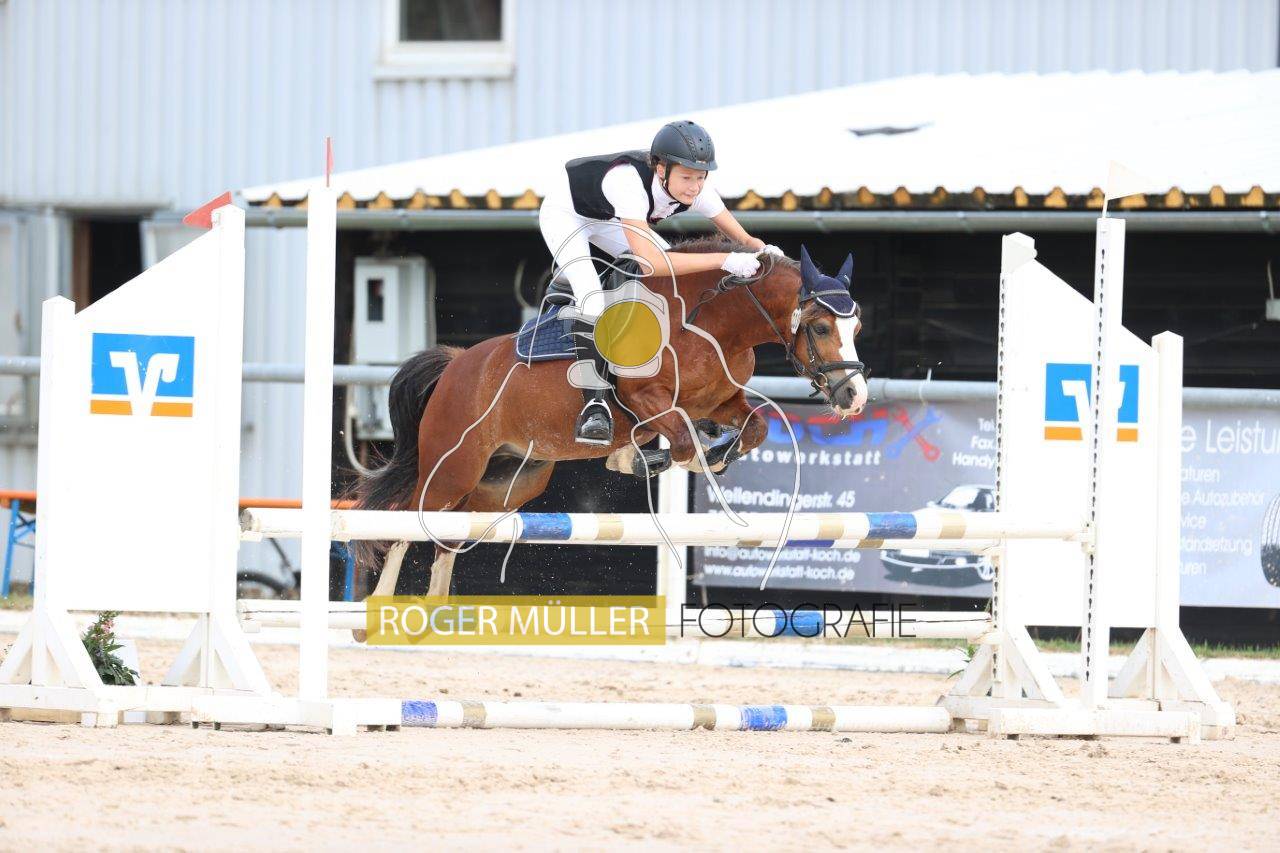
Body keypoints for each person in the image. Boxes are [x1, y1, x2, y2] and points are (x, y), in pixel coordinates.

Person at [538, 119, 783, 445]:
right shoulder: (627, 182)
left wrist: (766, 253)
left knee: (675, 279)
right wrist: (723, 260)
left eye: (701, 177)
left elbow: (745, 239)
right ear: (661, 169)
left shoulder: (696, 188)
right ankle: (594, 404)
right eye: (687, 178)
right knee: (593, 298)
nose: (694, 187)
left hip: (609, 219)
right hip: (567, 216)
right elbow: (651, 264)